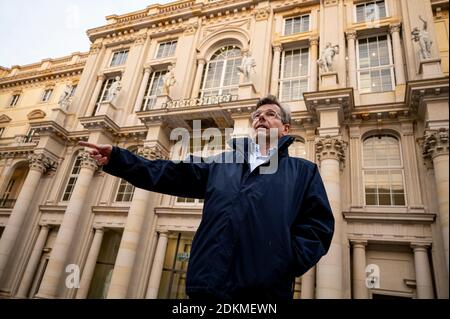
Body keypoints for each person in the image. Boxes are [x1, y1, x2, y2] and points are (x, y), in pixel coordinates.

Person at [79, 94, 334, 300]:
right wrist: (119, 159)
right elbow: (168, 173)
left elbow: (318, 228)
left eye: (271, 114)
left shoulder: (303, 172)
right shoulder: (223, 162)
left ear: (285, 129)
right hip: (207, 288)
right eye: (257, 115)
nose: (261, 119)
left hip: (265, 294)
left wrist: (283, 263)